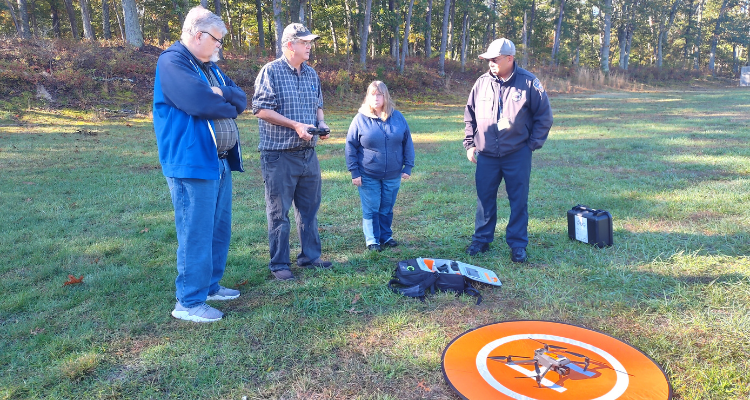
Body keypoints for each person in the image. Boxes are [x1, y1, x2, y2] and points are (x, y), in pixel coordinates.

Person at [153, 6, 246, 322]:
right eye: (217, 39)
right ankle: (189, 303)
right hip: (191, 162)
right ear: (198, 34)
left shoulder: (211, 67)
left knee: (219, 229)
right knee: (195, 231)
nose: (220, 45)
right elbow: (199, 102)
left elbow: (241, 99)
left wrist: (224, 94)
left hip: (218, 161)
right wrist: (224, 101)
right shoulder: (172, 61)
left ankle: (209, 287)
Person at [252, 23, 332, 281]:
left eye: (310, 42)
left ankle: (310, 257)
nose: (309, 47)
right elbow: (261, 110)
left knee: (309, 210)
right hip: (279, 155)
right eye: (304, 42)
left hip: (308, 154)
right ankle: (279, 264)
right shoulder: (271, 72)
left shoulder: (311, 74)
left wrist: (321, 124)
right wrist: (295, 125)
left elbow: (318, 104)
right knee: (279, 213)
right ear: (290, 45)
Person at [463, 38, 553, 263]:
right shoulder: (482, 82)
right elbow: (470, 115)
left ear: (510, 59)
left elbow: (544, 116)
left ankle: (518, 244)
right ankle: (481, 240)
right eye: (488, 59)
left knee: (518, 200)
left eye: (495, 59)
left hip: (517, 154)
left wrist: (530, 145)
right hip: (487, 155)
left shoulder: (529, 83)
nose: (490, 63)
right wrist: (470, 144)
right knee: (484, 199)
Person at [345, 81, 415, 251]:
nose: (376, 98)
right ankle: (372, 240)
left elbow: (408, 143)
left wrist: (408, 166)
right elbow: (350, 146)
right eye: (372, 94)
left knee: (386, 207)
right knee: (372, 207)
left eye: (379, 94)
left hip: (393, 174)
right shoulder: (360, 119)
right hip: (368, 173)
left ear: (385, 96)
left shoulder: (397, 117)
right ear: (367, 97)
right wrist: (354, 172)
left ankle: (385, 236)